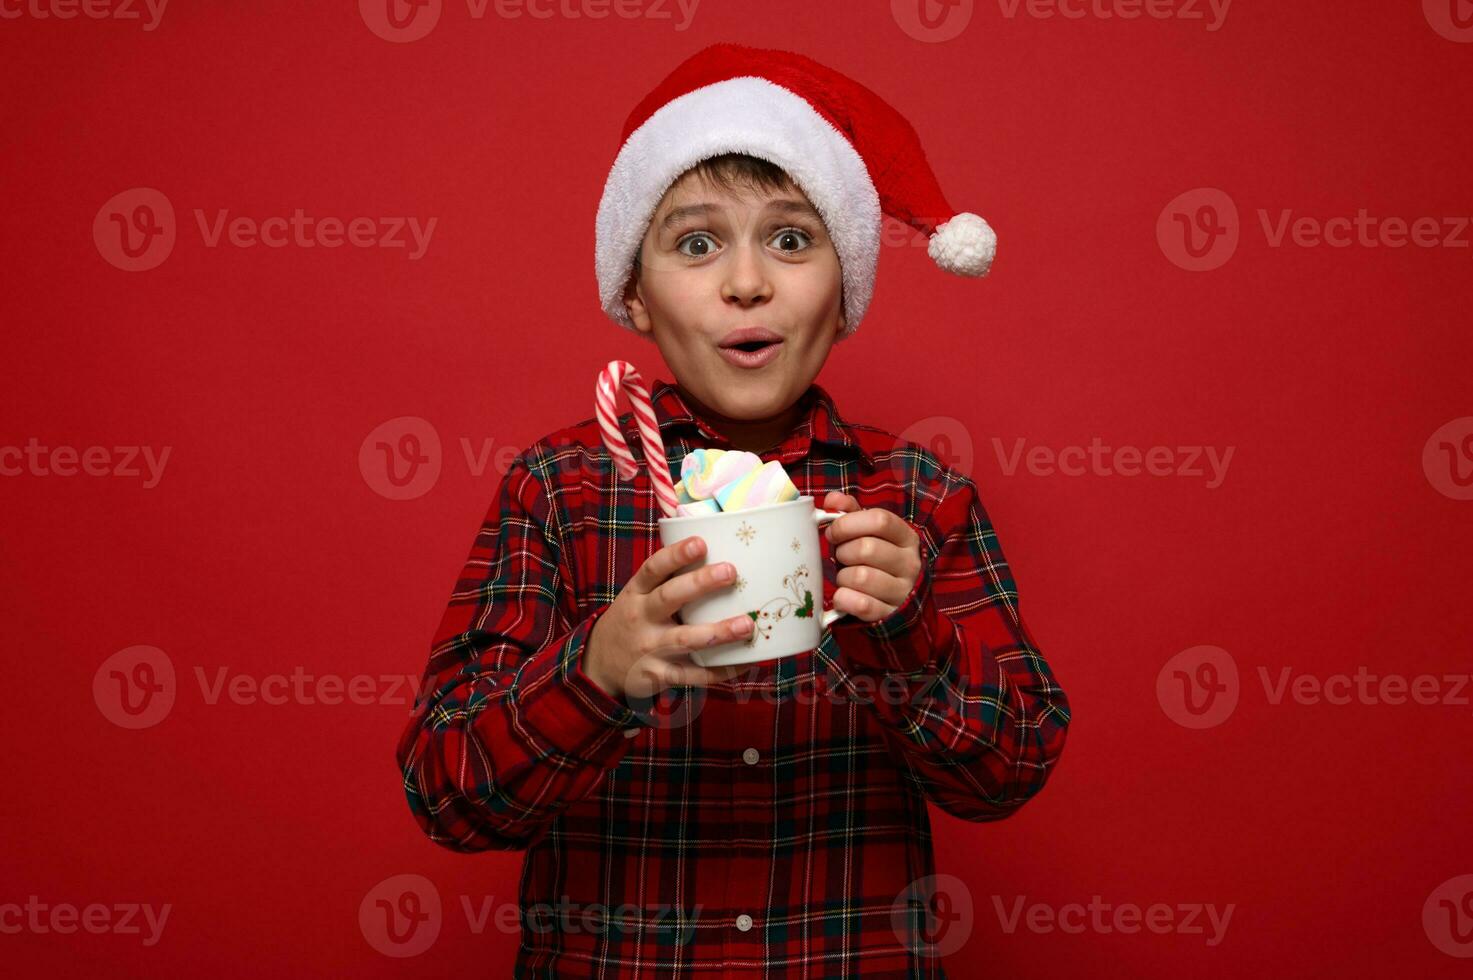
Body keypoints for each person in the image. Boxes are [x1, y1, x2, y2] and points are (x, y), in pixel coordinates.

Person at [395, 42, 1070, 977]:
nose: (745, 281)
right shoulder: (564, 488)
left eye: (791, 240)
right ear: (634, 291)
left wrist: (909, 634)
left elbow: (1011, 771)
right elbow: (445, 792)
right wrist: (596, 672)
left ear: (847, 292)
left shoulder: (915, 498)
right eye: (696, 242)